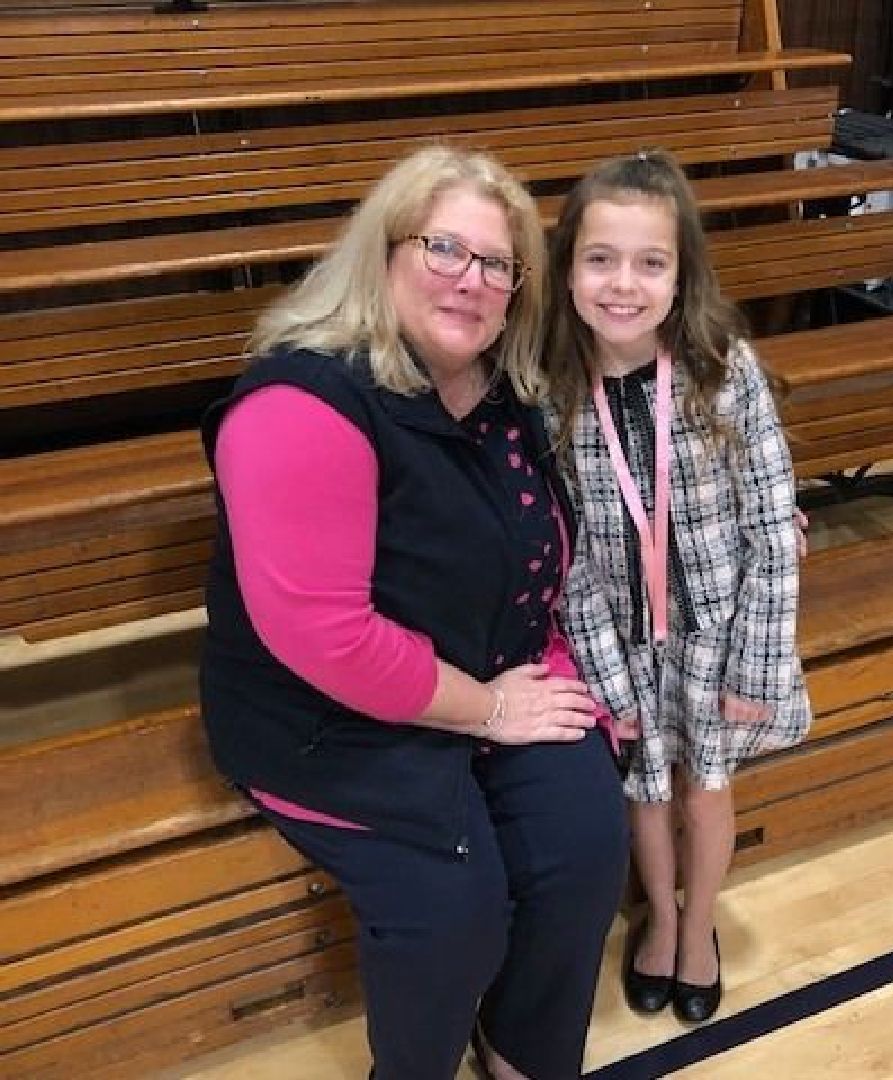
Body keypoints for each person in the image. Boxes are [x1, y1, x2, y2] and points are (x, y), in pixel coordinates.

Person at [198, 145, 630, 1080]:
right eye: (444, 249)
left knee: (587, 841)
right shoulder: (301, 405)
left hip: (491, 674)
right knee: (454, 913)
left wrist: (558, 675)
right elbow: (326, 639)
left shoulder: (502, 386)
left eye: (497, 264)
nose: (471, 281)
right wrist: (490, 710)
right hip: (326, 718)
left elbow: (545, 545)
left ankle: (524, 1055)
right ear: (383, 253)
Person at [543, 150, 813, 1025]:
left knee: (706, 787)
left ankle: (700, 929)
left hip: (719, 637)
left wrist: (755, 668)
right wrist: (607, 684)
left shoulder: (722, 370)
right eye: (600, 259)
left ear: (681, 271)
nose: (624, 283)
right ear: (568, 268)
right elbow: (567, 555)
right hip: (618, 641)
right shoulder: (548, 390)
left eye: (650, 262)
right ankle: (658, 919)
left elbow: (774, 527)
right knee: (644, 791)